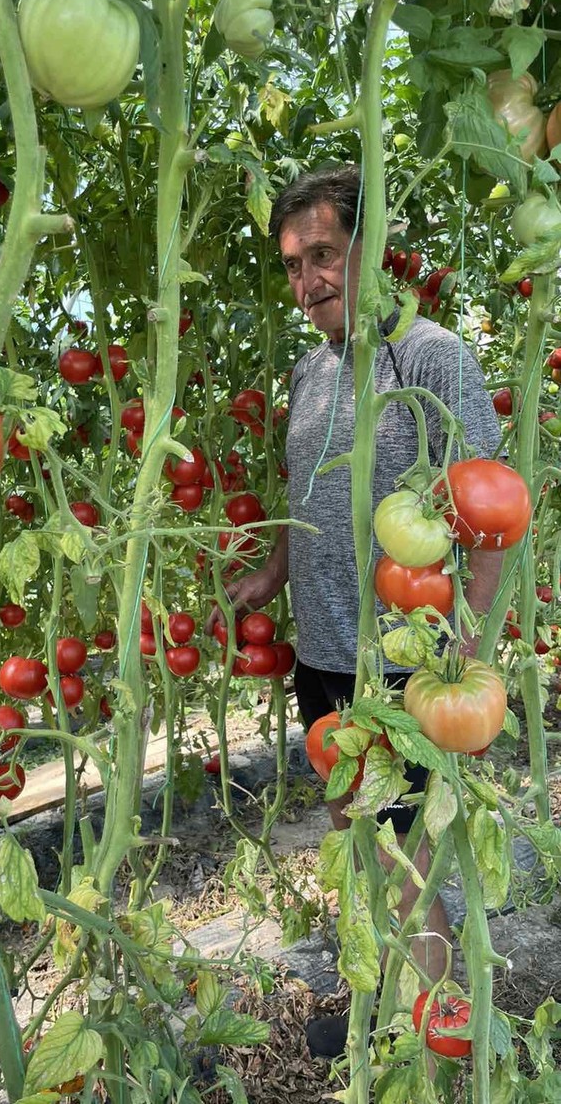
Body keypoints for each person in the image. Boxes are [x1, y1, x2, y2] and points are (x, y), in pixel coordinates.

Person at [206, 166, 504, 1056]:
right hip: (328, 653)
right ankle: (383, 1010)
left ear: (370, 250)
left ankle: (444, 1029)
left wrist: (471, 639)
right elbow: (309, 493)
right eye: (294, 265)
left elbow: (489, 511)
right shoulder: (310, 369)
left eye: (324, 255)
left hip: (411, 661)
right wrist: (274, 570)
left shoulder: (433, 356)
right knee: (356, 845)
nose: (308, 282)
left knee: (410, 857)